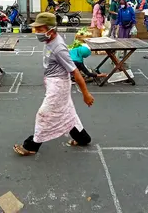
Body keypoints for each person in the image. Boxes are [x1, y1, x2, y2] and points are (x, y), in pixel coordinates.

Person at [13, 12, 94, 156]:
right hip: (53, 83)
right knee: (68, 113)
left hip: (58, 87)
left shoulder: (59, 48)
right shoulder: (50, 40)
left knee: (44, 114)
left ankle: (32, 145)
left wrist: (86, 94)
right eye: (36, 29)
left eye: (40, 29)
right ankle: (83, 138)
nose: (37, 32)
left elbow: (75, 72)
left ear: (50, 29)